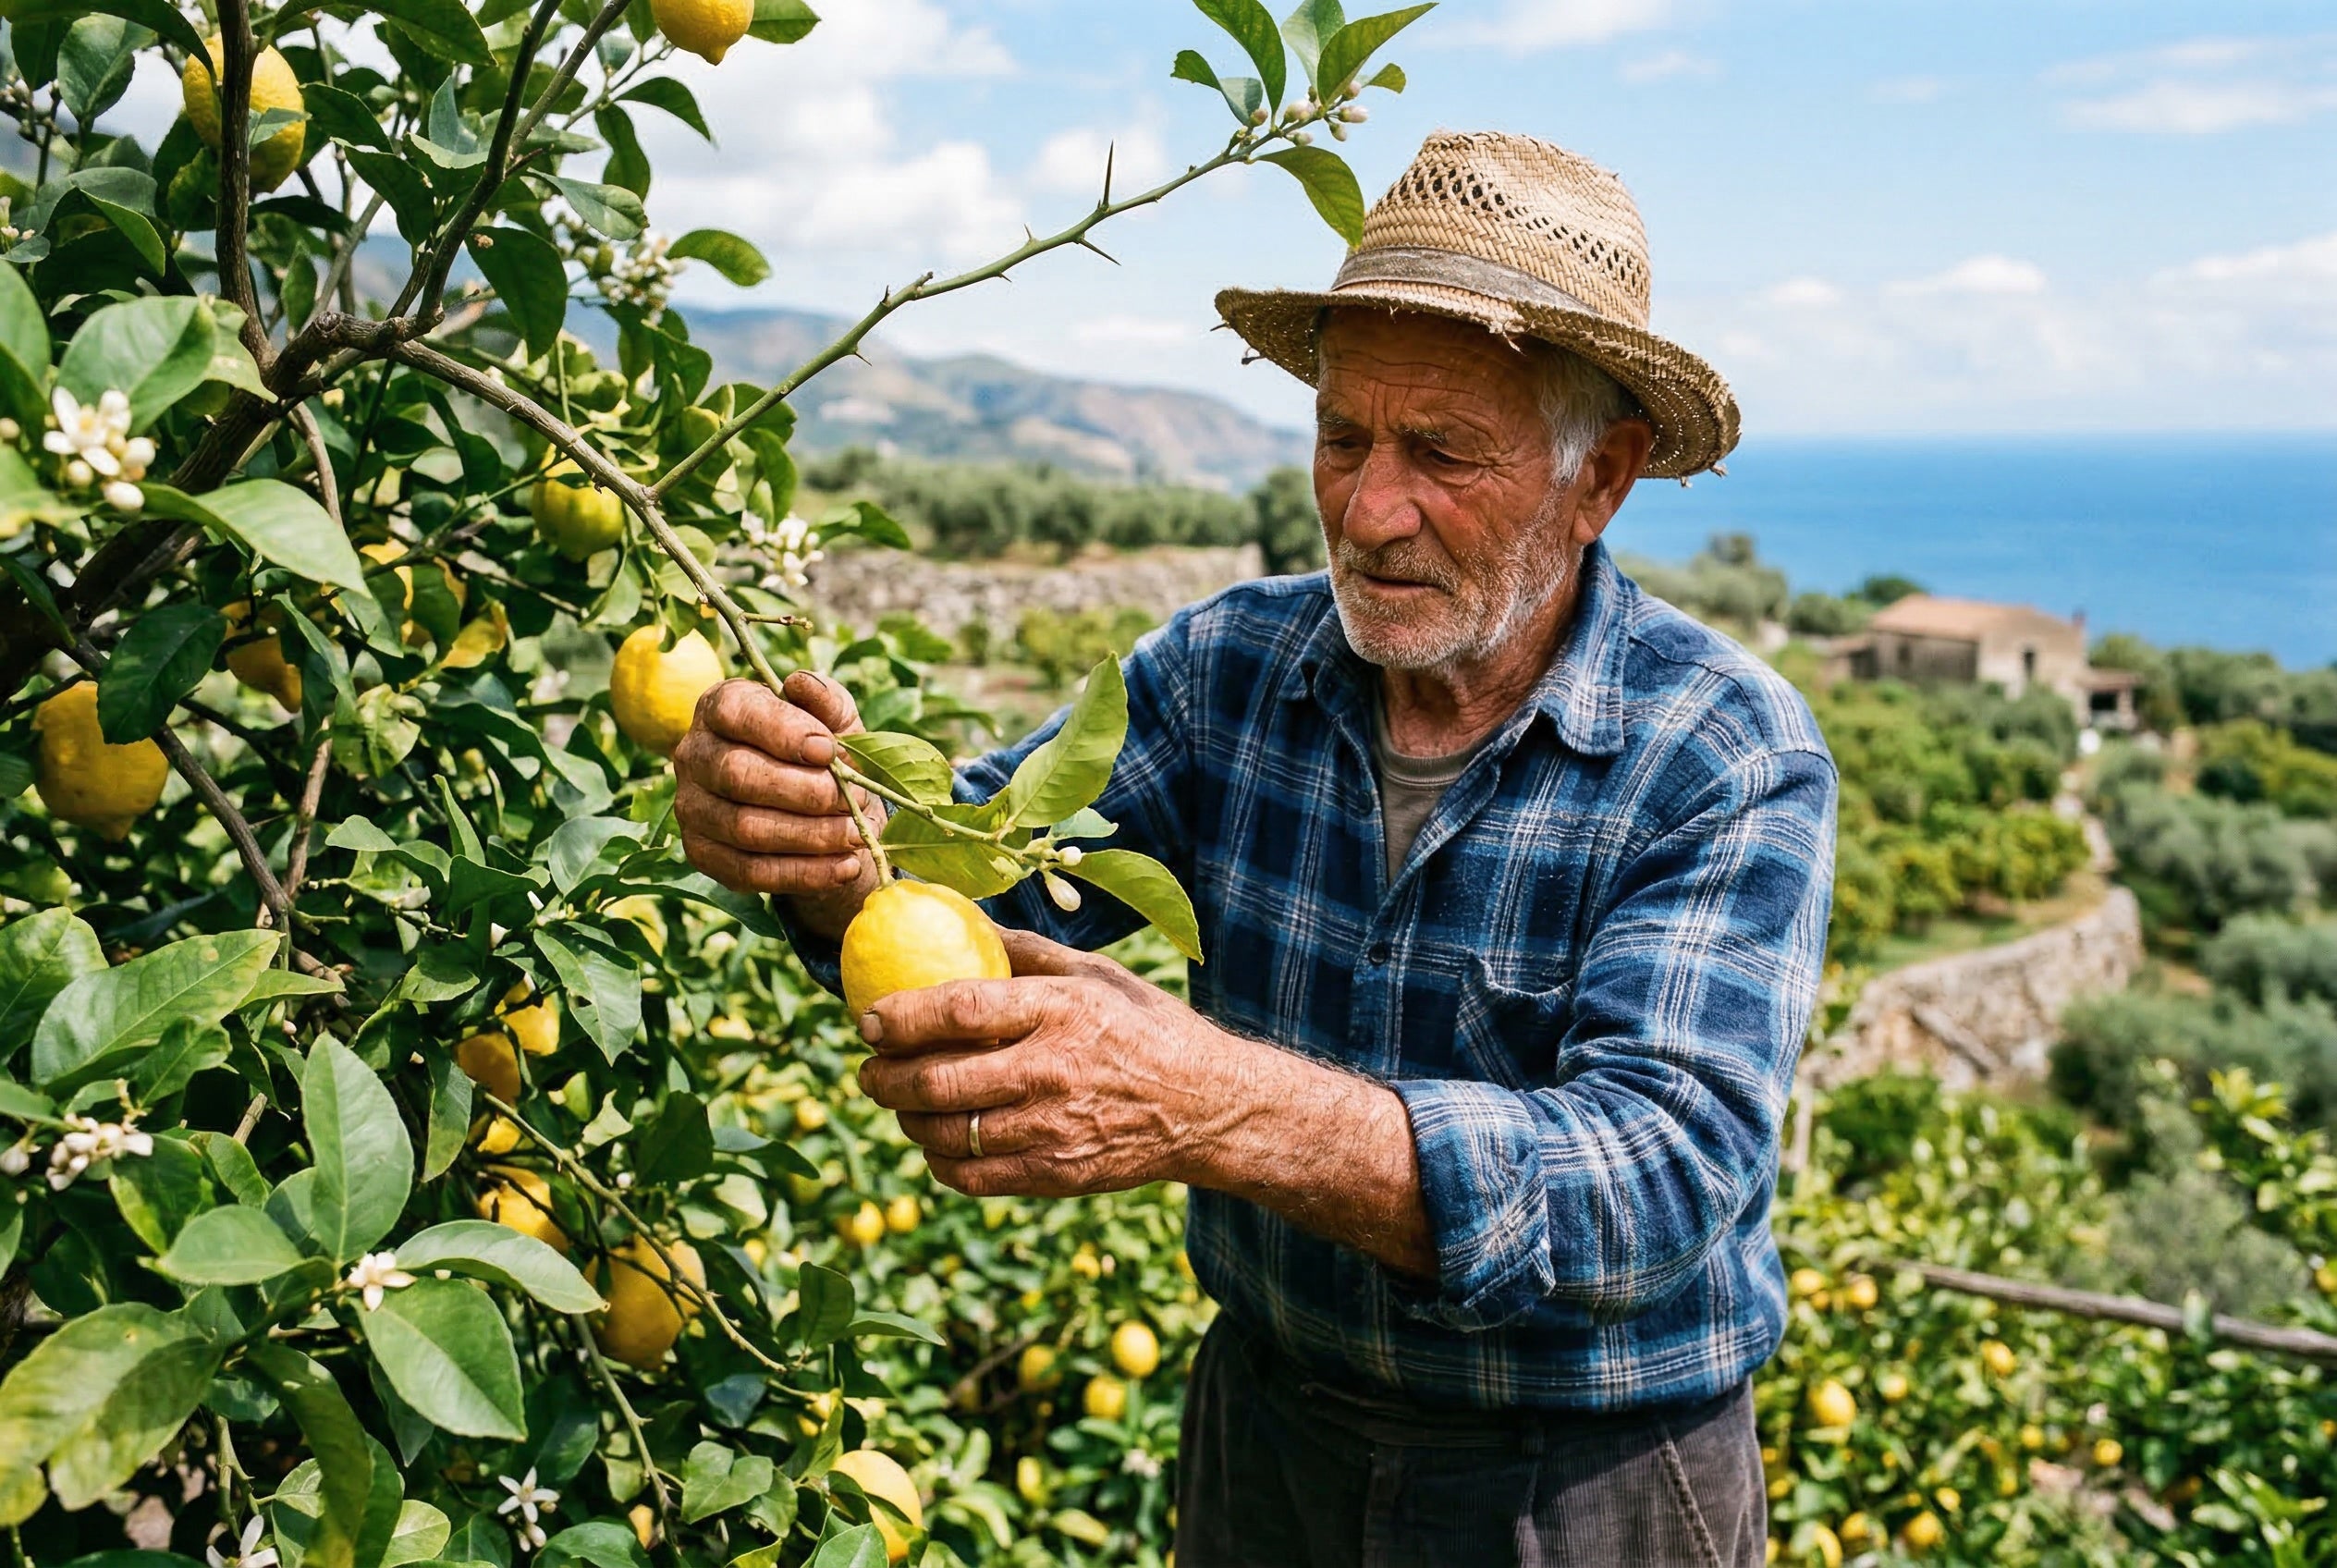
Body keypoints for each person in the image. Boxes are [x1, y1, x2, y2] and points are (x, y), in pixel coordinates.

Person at [675, 130, 1835, 1568]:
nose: (1368, 506)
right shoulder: (1228, 672)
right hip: (1270, 1445)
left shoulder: (1720, 752)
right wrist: (817, 835)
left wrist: (1220, 1106)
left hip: (1587, 1490)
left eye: (1443, 453)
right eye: (1343, 437)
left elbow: (1658, 1178)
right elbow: (971, 877)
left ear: (1599, 478)